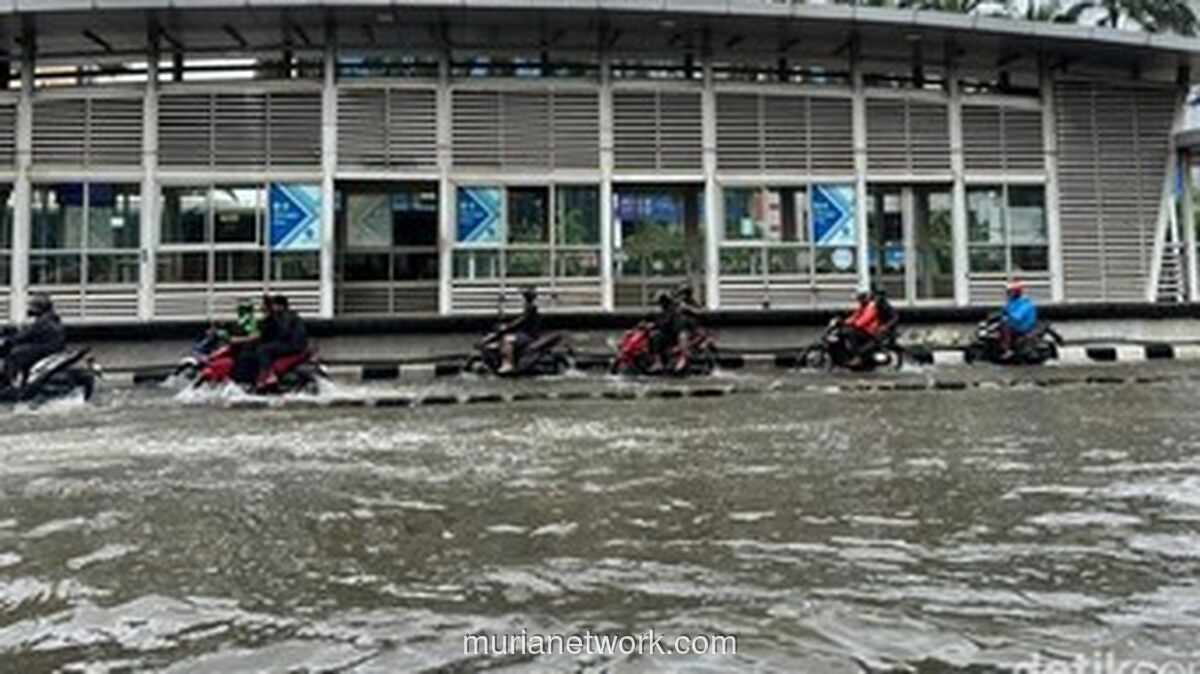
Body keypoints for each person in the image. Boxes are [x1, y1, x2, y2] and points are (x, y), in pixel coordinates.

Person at [1, 293, 66, 388]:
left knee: (14, 354)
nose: (30, 309)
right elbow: (30, 333)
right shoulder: (52, 318)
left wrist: (9, 340)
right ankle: (23, 379)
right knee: (22, 351)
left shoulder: (43, 321)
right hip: (53, 347)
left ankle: (8, 384)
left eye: (33, 307)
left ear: (40, 308)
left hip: (46, 348)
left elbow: (25, 335)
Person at [254, 294, 308, 391]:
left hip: (292, 345)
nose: (273, 307)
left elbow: (283, 332)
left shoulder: (286, 316)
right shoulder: (284, 315)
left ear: (281, 306)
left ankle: (267, 376)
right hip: (292, 343)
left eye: (274, 305)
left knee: (263, 350)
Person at [498, 287, 542, 374]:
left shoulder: (530, 308)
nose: (521, 300)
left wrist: (507, 327)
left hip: (528, 335)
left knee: (507, 339)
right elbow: (519, 320)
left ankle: (508, 364)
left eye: (522, 298)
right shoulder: (530, 308)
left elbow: (521, 321)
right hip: (524, 334)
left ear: (526, 299)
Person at [1000, 280, 1037, 358]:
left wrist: (1007, 315)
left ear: (1016, 292)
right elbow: (1006, 309)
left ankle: (1008, 350)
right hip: (1017, 323)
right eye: (1008, 292)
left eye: (1010, 292)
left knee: (1006, 327)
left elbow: (1017, 316)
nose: (1008, 294)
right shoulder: (1013, 301)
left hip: (1023, 325)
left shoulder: (1024, 303)